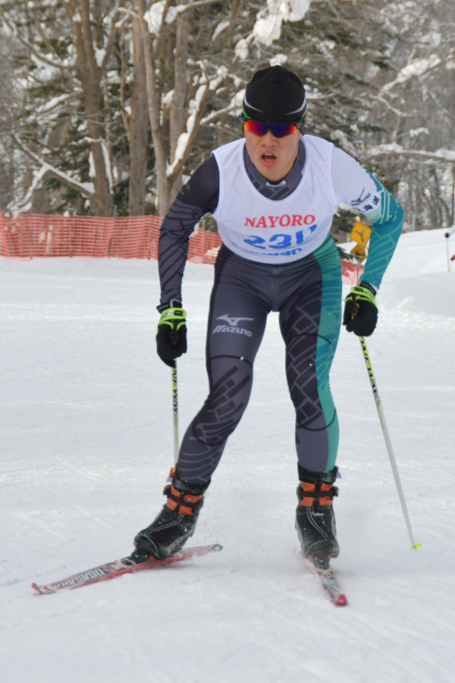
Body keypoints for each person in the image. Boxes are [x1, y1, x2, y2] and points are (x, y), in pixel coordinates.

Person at [135, 66, 405, 569]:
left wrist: (367, 289)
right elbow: (173, 230)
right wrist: (169, 307)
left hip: (311, 276)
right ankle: (178, 513)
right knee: (228, 391)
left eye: (281, 130)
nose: (268, 140)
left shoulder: (330, 165)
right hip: (243, 280)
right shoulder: (220, 169)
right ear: (244, 124)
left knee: (307, 380)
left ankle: (316, 510)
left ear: (299, 128)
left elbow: (390, 216)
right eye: (256, 126)